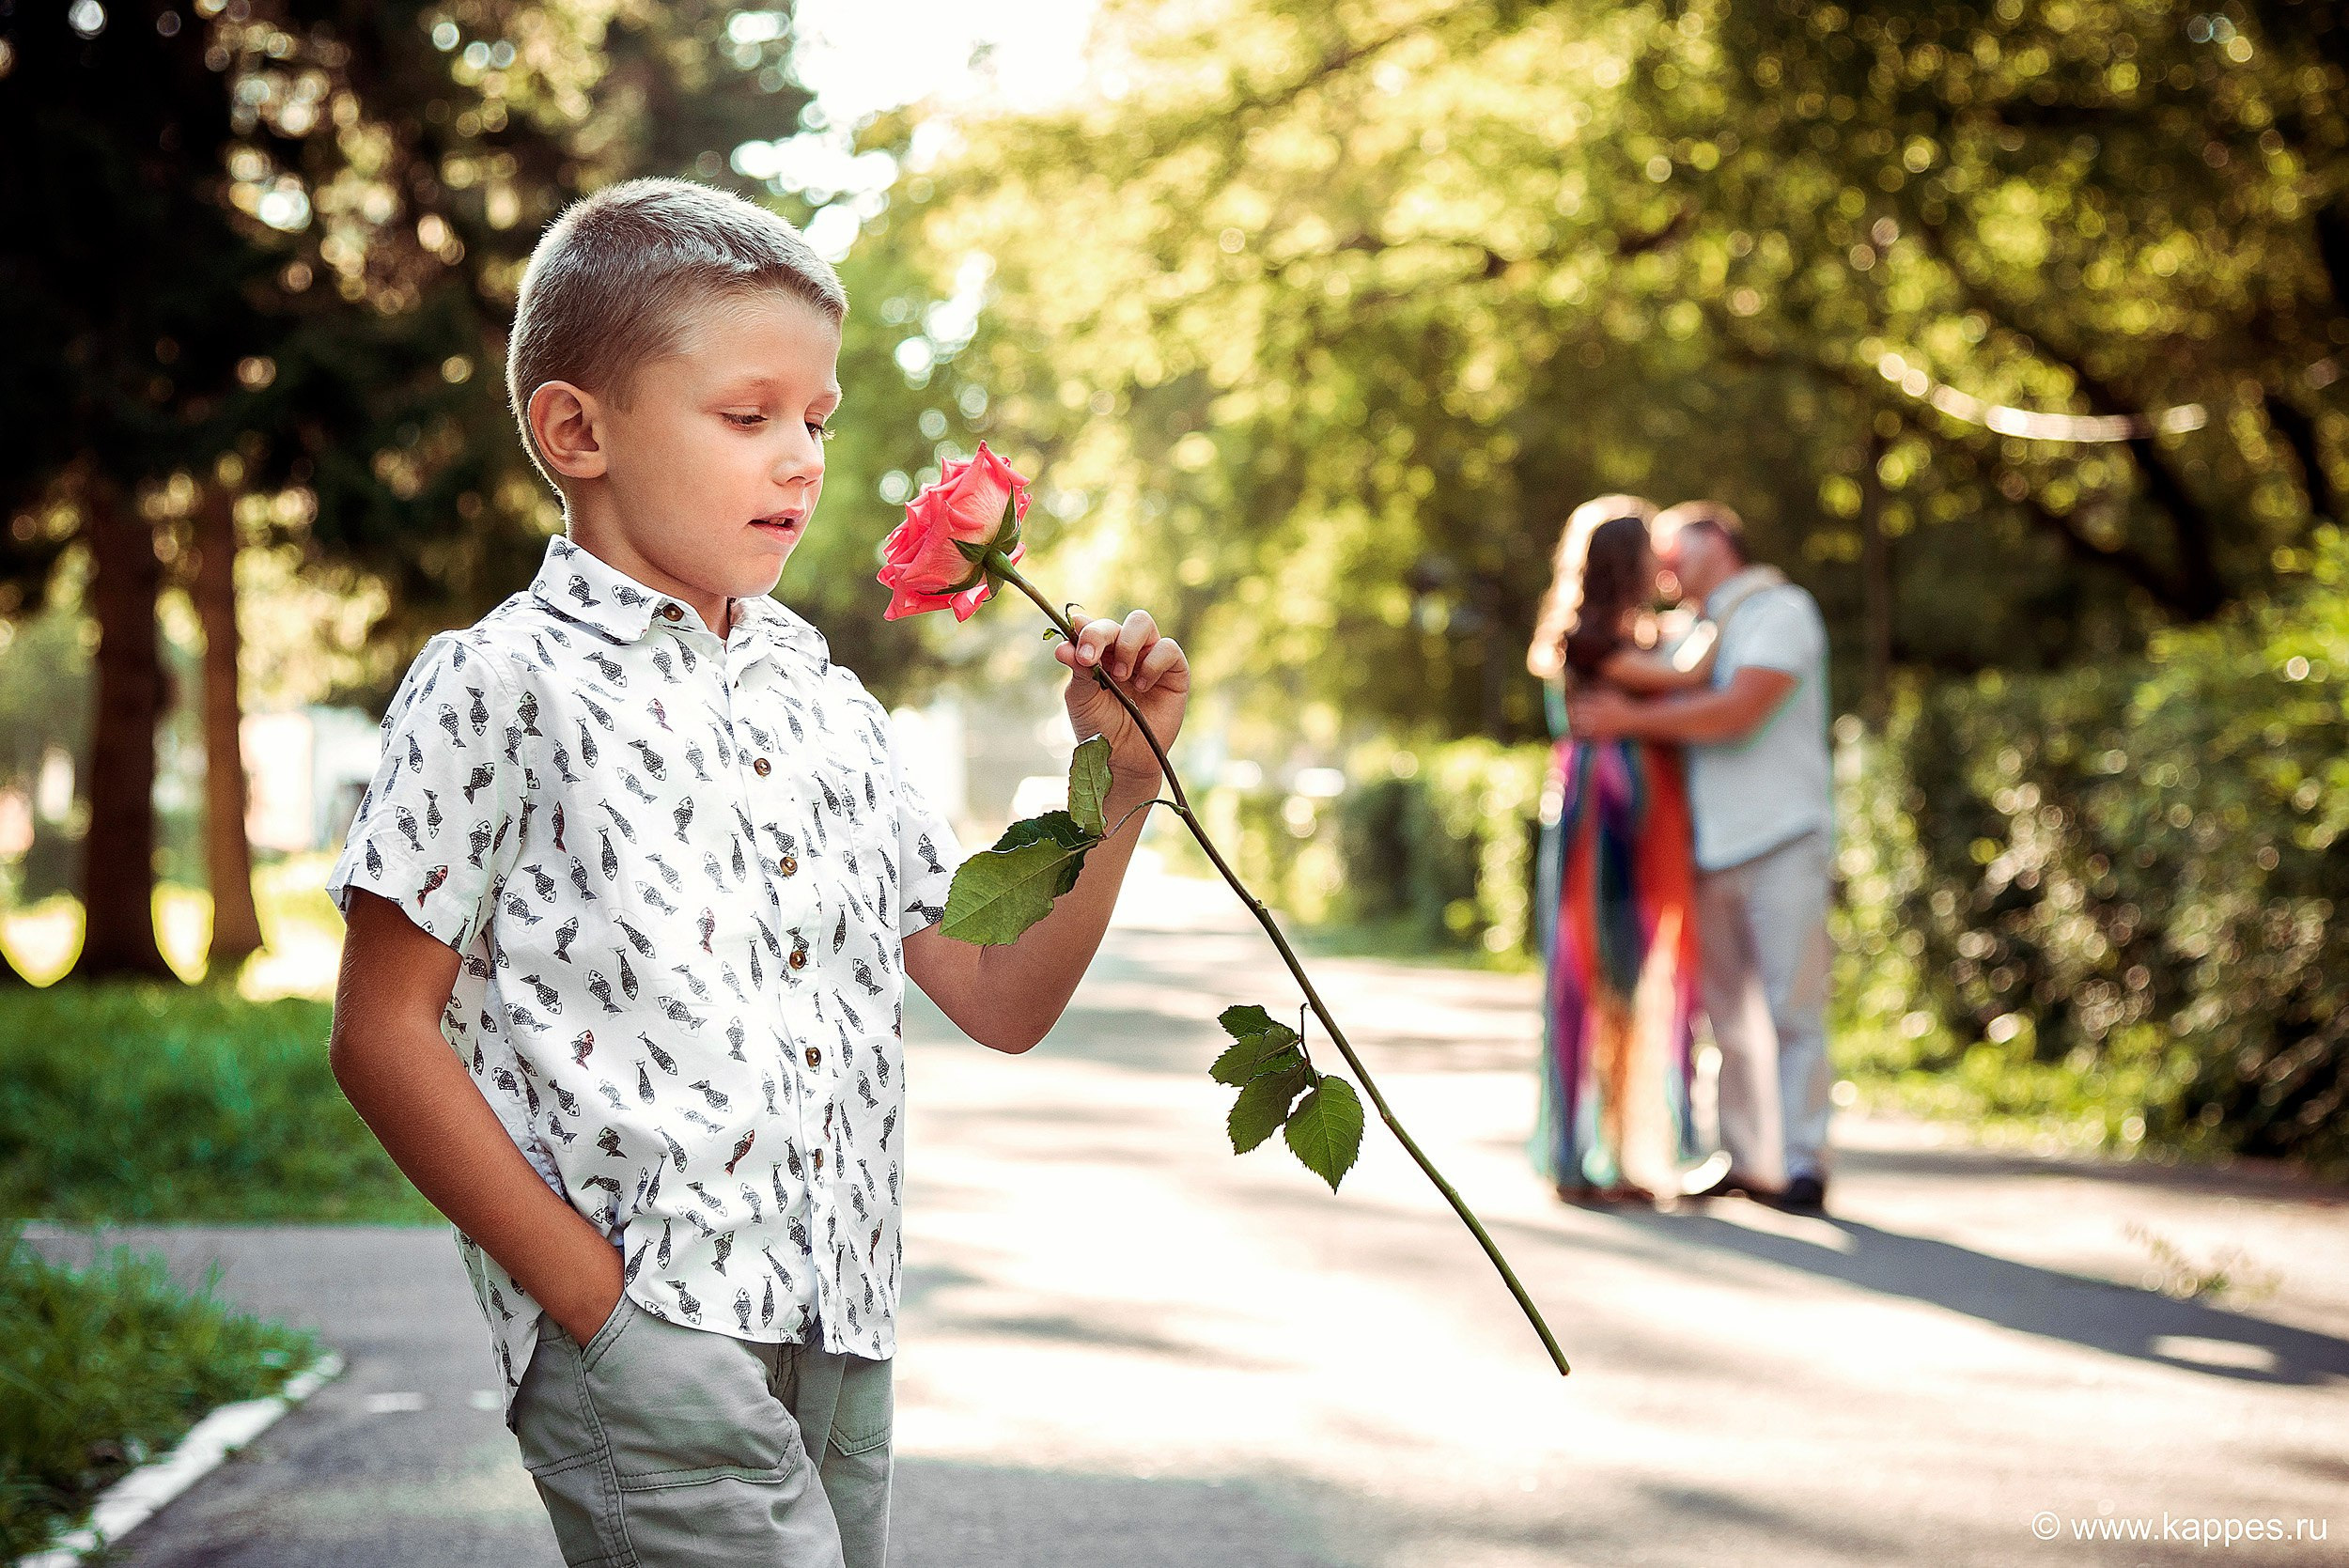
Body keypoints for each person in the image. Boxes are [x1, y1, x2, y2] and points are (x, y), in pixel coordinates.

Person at [322, 178, 1190, 1568]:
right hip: (650, 1327)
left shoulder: (826, 701)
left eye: (817, 421)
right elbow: (377, 1035)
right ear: (575, 430)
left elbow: (994, 992)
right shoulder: (497, 684)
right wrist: (596, 1308)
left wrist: (1120, 784)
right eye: (749, 416)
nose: (802, 459)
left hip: (843, 1321)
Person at [1568, 500, 1835, 1212]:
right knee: (1725, 1015)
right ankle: (1748, 1159)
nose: (1662, 565)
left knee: (1792, 1005)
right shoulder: (1687, 630)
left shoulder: (1780, 609)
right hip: (1706, 850)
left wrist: (1629, 718)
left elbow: (1738, 708)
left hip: (1782, 836)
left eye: (1672, 547)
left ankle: (1804, 1161)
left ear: (1715, 538)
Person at [1524, 495, 1722, 1204]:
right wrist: (1725, 611)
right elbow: (1685, 678)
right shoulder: (1587, 640)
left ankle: (1623, 1154)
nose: (1661, 564)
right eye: (1649, 552)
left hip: (1638, 821)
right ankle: (1582, 1157)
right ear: (1622, 561)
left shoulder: (1628, 634)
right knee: (1595, 976)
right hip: (1599, 826)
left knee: (1638, 981)